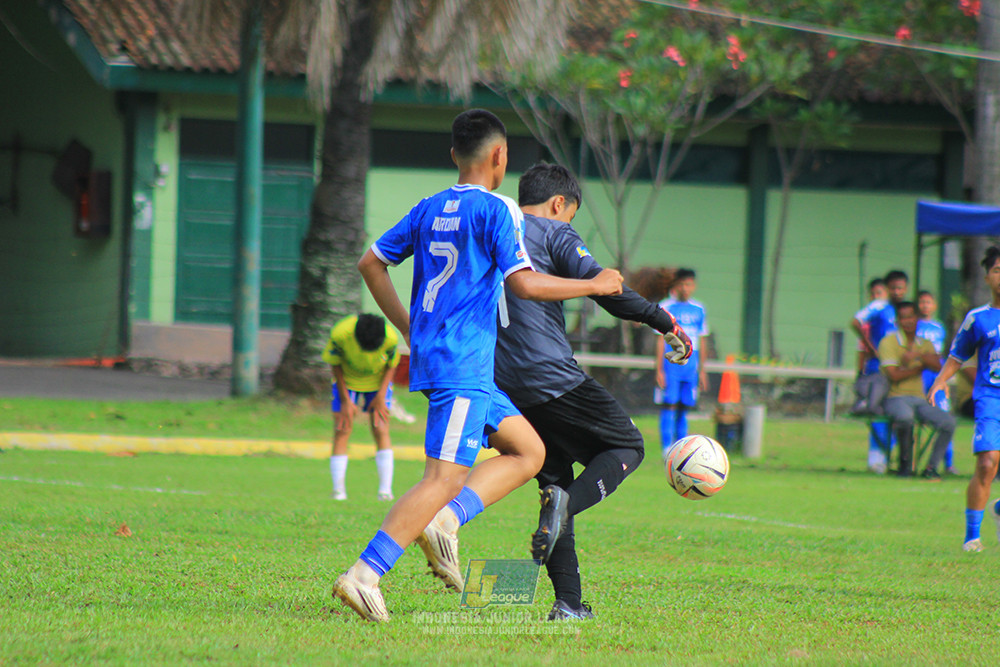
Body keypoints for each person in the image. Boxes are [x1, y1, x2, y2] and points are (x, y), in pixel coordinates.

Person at [331, 109, 624, 622]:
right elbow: (524, 284)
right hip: (461, 363)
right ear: (500, 156)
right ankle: (365, 574)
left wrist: (409, 327)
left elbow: (370, 263)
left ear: (454, 155)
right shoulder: (498, 209)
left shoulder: (428, 207)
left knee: (528, 450)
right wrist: (594, 285)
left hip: (459, 364)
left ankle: (444, 521)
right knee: (441, 478)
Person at [489, 163, 692, 621]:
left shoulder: (493, 231)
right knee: (628, 446)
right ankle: (564, 509)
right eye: (571, 216)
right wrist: (665, 321)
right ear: (559, 203)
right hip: (551, 375)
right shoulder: (552, 232)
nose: (570, 225)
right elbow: (608, 291)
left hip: (506, 387)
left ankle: (568, 603)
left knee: (557, 486)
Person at [927, 246, 1000, 553]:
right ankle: (972, 537)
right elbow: (957, 356)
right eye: (997, 270)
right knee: (987, 462)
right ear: (987, 277)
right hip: (991, 397)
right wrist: (940, 381)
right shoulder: (977, 319)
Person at [321, 313, 400, 501]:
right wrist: (345, 400)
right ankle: (338, 491)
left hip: (377, 382)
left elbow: (391, 365)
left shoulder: (391, 338)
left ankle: (385, 491)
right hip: (347, 382)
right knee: (342, 428)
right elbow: (335, 364)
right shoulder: (340, 334)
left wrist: (381, 396)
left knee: (381, 428)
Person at [877, 301, 955, 478]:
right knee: (905, 418)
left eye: (911, 316)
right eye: (903, 317)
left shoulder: (924, 343)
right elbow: (894, 375)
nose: (908, 321)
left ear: (917, 318)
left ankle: (931, 467)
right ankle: (905, 466)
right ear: (897, 321)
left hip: (920, 398)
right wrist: (921, 366)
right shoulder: (889, 342)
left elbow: (938, 366)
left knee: (948, 423)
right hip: (895, 396)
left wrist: (918, 356)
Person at [850, 269, 909, 473]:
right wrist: (871, 347)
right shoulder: (879, 307)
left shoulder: (907, 311)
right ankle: (876, 460)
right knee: (878, 413)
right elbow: (855, 322)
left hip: (900, 372)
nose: (897, 292)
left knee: (900, 414)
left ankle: (899, 460)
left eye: (900, 288)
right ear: (887, 289)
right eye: (892, 288)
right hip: (878, 371)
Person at [654, 268, 709, 456]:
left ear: (694, 286)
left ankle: (681, 448)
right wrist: (659, 370)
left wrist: (702, 370)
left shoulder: (699, 309)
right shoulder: (666, 307)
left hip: (691, 366)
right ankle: (666, 449)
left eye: (689, 284)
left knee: (685, 406)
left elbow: (702, 339)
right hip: (671, 365)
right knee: (669, 403)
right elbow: (659, 340)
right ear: (676, 286)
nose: (685, 288)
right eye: (682, 284)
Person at [916, 290, 956, 474]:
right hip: (920, 374)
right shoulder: (914, 325)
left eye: (928, 302)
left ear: (935, 306)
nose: (925, 305)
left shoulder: (939, 327)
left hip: (936, 375)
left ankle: (949, 463)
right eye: (922, 302)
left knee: (946, 415)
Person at [855, 278, 888, 378]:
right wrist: (860, 372)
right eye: (872, 294)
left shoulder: (894, 317)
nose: (875, 297)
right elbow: (861, 350)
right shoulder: (866, 323)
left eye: (879, 293)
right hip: (873, 370)